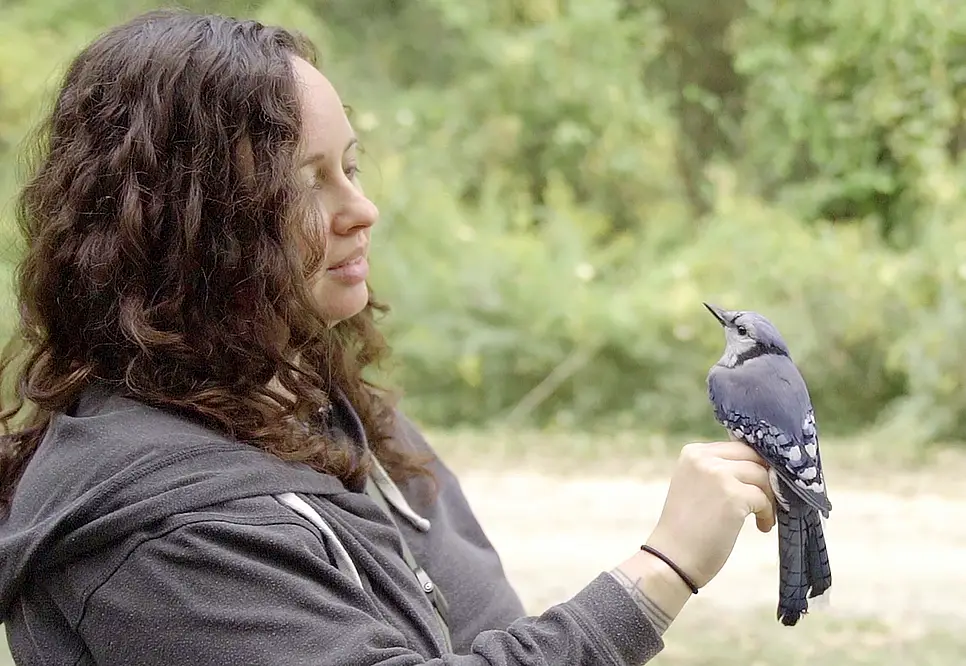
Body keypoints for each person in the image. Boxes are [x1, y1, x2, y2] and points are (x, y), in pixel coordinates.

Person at [0, 9, 777, 666]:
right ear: (187, 227)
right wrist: (663, 567)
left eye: (351, 165)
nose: (360, 208)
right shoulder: (160, 538)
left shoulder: (319, 406)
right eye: (306, 182)